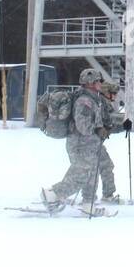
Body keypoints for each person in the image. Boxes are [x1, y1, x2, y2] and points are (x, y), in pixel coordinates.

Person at [41, 68, 112, 213]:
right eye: (98, 81)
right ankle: (52, 194)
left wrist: (106, 128)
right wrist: (98, 129)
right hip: (80, 145)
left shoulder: (94, 99)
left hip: (90, 144)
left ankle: (88, 204)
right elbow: (83, 126)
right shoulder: (84, 101)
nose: (101, 84)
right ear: (91, 82)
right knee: (80, 175)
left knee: (91, 174)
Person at [93, 80, 132, 204]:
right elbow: (106, 127)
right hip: (90, 143)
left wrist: (122, 126)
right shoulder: (100, 104)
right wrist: (121, 127)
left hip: (93, 143)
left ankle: (92, 196)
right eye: (113, 93)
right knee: (101, 167)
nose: (115, 96)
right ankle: (102, 196)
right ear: (106, 93)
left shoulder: (102, 104)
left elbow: (107, 126)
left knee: (99, 168)